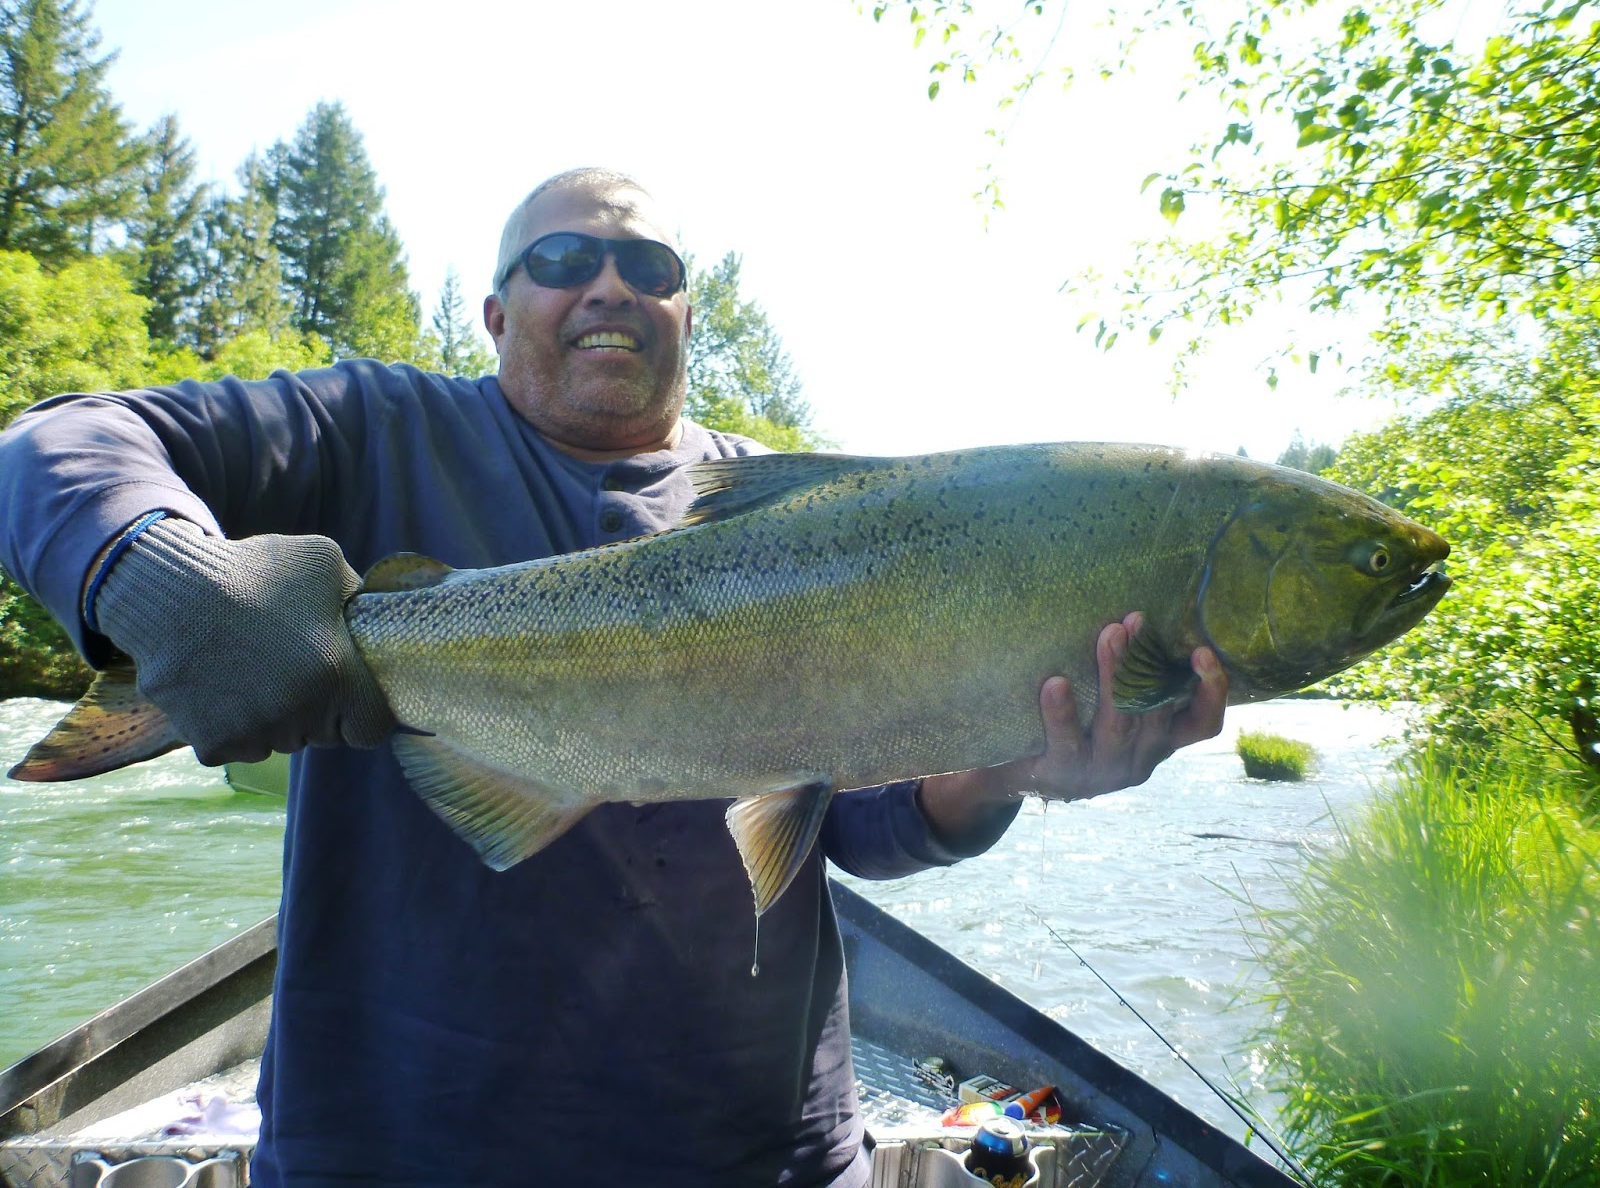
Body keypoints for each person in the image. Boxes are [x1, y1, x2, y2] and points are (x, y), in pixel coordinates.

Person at [0, 168, 1228, 1186]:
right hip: (395, 1147)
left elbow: (856, 819)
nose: (608, 286)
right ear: (493, 313)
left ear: (690, 315)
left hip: (759, 1153)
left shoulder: (810, 514)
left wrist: (1005, 775)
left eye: (650, 269)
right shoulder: (370, 431)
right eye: (561, 259)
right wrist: (160, 578)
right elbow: (52, 446)